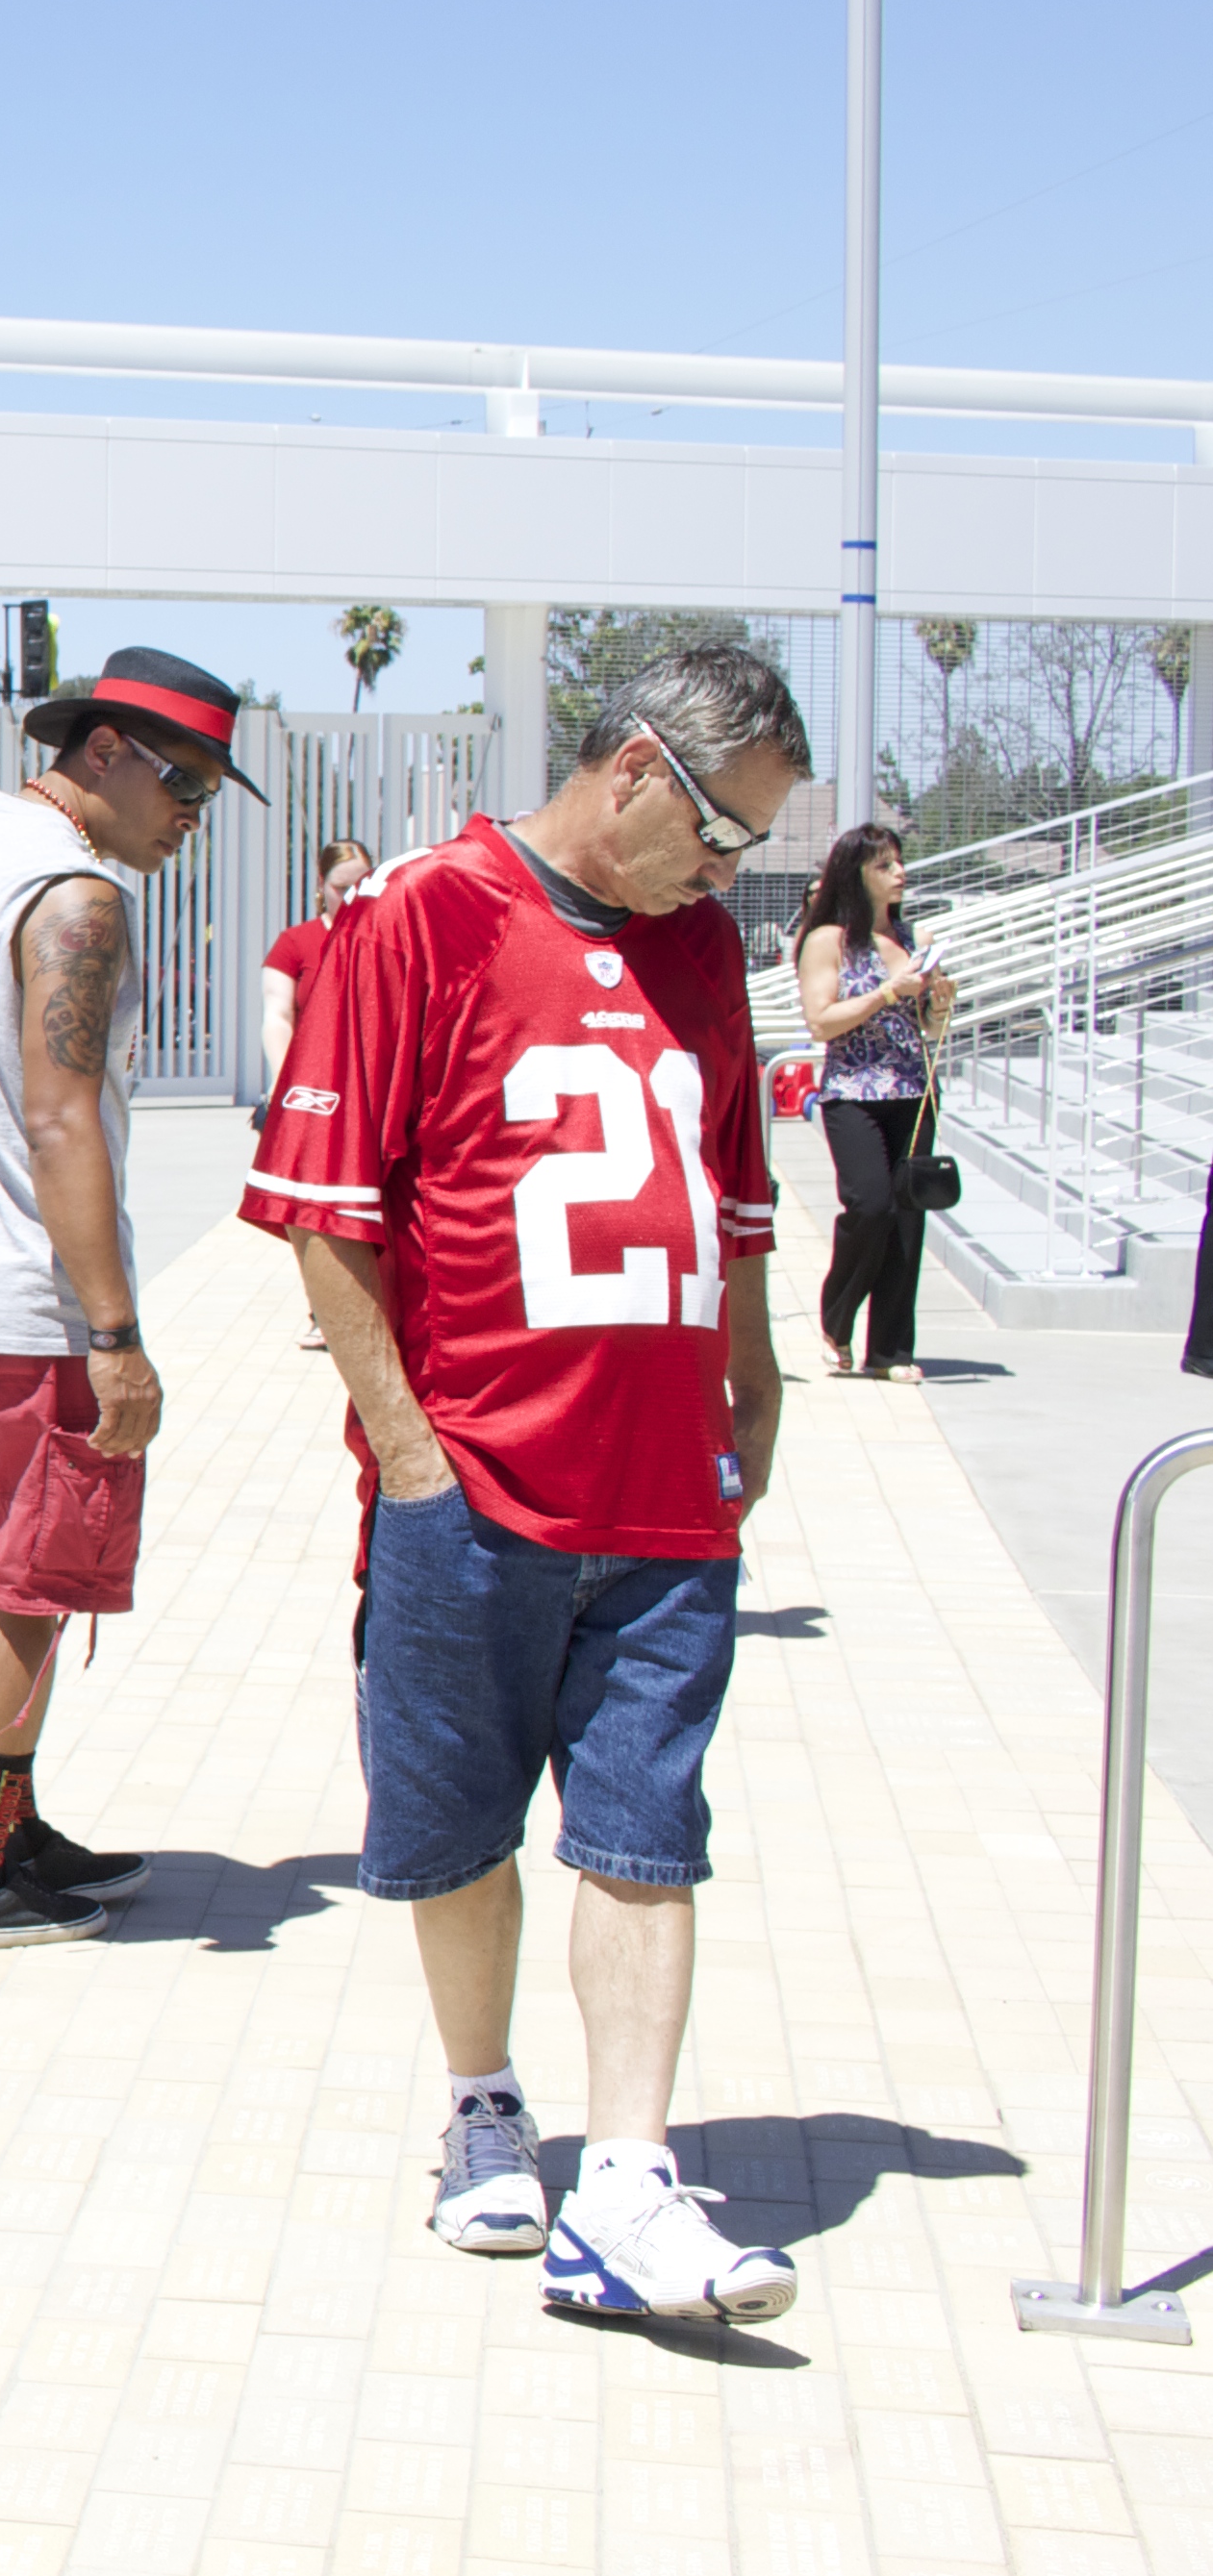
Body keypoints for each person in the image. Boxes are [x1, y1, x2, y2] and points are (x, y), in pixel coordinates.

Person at [246, 643, 808, 2325]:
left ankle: (627, 2175)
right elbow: (325, 1214)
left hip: (661, 1485)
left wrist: (755, 1361)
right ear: (633, 769)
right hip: (474, 1476)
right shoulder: (420, 916)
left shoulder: (700, 947)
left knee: (649, 1826)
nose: (728, 875)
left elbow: (727, 1169)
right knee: (453, 1822)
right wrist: (411, 1459)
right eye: (718, 833)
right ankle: (483, 2102)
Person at [0, 647, 227, 1951]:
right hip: (27, 1301)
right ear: (107, 752)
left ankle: (11, 1827)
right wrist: (117, 1334)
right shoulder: (74, 895)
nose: (193, 814)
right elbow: (60, 1115)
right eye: (184, 783)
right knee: (31, 1584)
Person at [791, 823, 947, 1382]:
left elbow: (927, 1028)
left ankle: (890, 1351)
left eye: (900, 862)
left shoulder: (909, 940)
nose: (899, 873)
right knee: (871, 1205)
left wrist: (936, 1002)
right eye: (884, 865)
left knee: (908, 1220)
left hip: (914, 1091)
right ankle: (838, 1313)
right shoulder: (829, 940)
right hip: (854, 1091)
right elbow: (820, 1021)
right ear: (856, 874)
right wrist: (886, 992)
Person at [255, 836, 374, 1111]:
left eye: (359, 887)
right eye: (341, 888)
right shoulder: (295, 942)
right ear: (321, 883)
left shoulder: (389, 942)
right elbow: (277, 1016)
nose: (350, 897)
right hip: (313, 1088)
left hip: (372, 1085)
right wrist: (282, 1078)